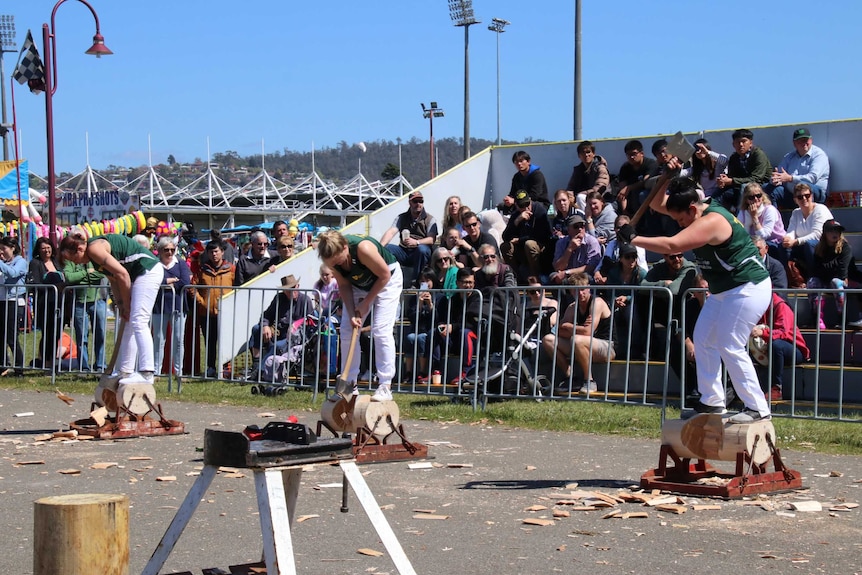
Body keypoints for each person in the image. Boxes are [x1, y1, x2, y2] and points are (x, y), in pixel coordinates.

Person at [623, 174, 772, 423]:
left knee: (729, 343)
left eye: (681, 219)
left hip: (748, 287)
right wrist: (666, 177)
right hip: (725, 290)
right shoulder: (694, 209)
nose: (680, 224)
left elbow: (672, 245)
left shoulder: (712, 220)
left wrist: (633, 239)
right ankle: (712, 401)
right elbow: (658, 204)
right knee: (703, 338)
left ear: (692, 208)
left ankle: (757, 407)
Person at [59, 233, 164, 387]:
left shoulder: (94, 249)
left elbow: (123, 274)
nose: (76, 263)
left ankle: (147, 372)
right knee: (128, 321)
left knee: (138, 320)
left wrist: (127, 305)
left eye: (74, 259)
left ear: (80, 248)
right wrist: (120, 305)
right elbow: (113, 279)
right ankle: (125, 370)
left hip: (147, 270)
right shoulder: (94, 260)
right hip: (136, 275)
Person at [318, 230, 403, 402]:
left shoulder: (363, 249)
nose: (337, 265)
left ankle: (385, 385)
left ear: (344, 248)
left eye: (338, 261)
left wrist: (366, 303)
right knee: (348, 331)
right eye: (333, 263)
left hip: (387, 280)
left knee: (380, 330)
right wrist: (351, 313)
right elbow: (343, 285)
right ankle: (349, 384)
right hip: (358, 284)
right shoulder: (332, 257)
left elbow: (384, 275)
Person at [542, 272, 615, 395]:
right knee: (548, 339)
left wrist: (570, 326)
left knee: (577, 339)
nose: (580, 294)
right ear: (571, 292)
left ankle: (589, 381)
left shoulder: (597, 303)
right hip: (582, 345)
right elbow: (558, 331)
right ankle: (571, 376)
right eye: (576, 291)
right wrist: (575, 329)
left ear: (589, 288)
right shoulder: (572, 307)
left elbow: (588, 331)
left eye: (582, 289)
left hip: (606, 347)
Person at [248, 274, 315, 379]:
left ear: (298, 286)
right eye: (288, 289)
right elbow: (266, 315)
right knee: (256, 329)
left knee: (278, 346)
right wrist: (265, 326)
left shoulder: (305, 300)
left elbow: (311, 320)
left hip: (295, 338)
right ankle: (256, 365)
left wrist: (296, 325)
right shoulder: (279, 298)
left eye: (293, 288)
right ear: (283, 290)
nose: (291, 291)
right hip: (277, 332)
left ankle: (259, 372)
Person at [751, 293, 810, 401]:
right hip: (771, 350)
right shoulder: (759, 307)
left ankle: (776, 388)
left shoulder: (781, 306)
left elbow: (783, 333)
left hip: (794, 350)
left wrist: (762, 333)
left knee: (777, 345)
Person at [429, 267, 481, 383]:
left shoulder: (478, 299)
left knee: (465, 332)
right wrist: (442, 326)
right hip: (454, 339)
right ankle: (435, 371)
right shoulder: (453, 300)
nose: (468, 285)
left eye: (470, 282)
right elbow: (444, 318)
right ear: (457, 283)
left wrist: (453, 326)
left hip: (473, 339)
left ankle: (465, 372)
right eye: (464, 282)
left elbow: (472, 323)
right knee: (434, 332)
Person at [192, 239, 235, 378]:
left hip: (226, 313)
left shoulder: (231, 269)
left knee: (226, 341)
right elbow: (193, 287)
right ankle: (210, 368)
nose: (214, 254)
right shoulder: (202, 270)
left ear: (222, 252)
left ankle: (226, 369)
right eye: (211, 252)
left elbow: (238, 287)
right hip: (207, 312)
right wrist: (201, 301)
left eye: (216, 251)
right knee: (210, 342)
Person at [778, 183, 834, 287]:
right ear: (795, 200)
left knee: (809, 244)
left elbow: (817, 234)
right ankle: (792, 280)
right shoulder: (796, 213)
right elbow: (791, 231)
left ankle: (815, 279)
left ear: (811, 196)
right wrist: (787, 239)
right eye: (800, 197)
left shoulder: (820, 209)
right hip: (803, 247)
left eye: (807, 195)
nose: (804, 199)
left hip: (823, 247)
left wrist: (795, 241)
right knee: (783, 247)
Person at [380, 190, 438, 288]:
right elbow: (391, 232)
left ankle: (415, 282)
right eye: (415, 201)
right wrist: (379, 247)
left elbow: (431, 239)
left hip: (419, 252)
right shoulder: (401, 217)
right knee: (386, 249)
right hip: (404, 251)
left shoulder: (430, 219)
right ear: (410, 203)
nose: (418, 204)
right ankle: (385, 278)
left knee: (422, 249)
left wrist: (417, 242)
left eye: (421, 201)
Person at [152, 236, 190, 380]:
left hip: (178, 305)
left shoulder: (180, 263)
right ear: (160, 250)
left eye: (172, 250)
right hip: (159, 306)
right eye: (166, 250)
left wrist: (165, 285)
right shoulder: (155, 264)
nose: (169, 252)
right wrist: (169, 280)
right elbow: (152, 280)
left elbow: (185, 282)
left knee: (179, 339)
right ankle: (156, 371)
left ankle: (178, 372)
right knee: (159, 339)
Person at [600, 243, 646, 359]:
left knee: (630, 313)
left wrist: (627, 298)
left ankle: (635, 350)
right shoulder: (613, 273)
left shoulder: (641, 274)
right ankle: (614, 348)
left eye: (634, 257)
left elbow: (642, 294)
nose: (631, 260)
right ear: (620, 259)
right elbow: (610, 292)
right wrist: (615, 300)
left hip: (637, 306)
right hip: (616, 305)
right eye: (627, 257)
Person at [63, 254, 108, 373]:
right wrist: (87, 273)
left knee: (101, 335)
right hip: (79, 303)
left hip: (98, 301)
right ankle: (83, 367)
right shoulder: (70, 260)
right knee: (81, 337)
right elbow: (69, 277)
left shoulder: (95, 257)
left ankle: (100, 366)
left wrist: (80, 279)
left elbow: (102, 273)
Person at [806, 219, 854, 329]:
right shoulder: (819, 248)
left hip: (844, 282)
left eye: (837, 231)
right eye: (831, 231)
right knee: (812, 282)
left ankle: (842, 318)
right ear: (825, 233)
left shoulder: (845, 247)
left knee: (836, 282)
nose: (835, 233)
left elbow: (842, 272)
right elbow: (815, 270)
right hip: (827, 280)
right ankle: (816, 318)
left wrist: (828, 276)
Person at [766, 128, 830, 208]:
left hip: (815, 193)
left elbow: (812, 178)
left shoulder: (819, 155)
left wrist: (790, 178)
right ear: (794, 143)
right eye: (800, 141)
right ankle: (773, 219)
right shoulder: (789, 157)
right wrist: (775, 180)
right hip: (793, 194)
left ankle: (809, 217)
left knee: (804, 186)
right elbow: (780, 175)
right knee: (767, 188)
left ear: (811, 140)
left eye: (806, 140)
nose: (804, 143)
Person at [501, 189, 553, 282]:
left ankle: (535, 279)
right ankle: (517, 278)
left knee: (529, 244)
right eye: (521, 205)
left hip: (540, 248)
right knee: (505, 247)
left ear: (530, 200)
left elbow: (544, 235)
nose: (525, 208)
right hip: (522, 250)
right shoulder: (516, 214)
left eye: (527, 204)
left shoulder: (539, 210)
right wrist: (517, 221)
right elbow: (505, 237)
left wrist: (520, 240)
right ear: (516, 205)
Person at [715, 129, 772, 213]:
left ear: (750, 143)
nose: (741, 145)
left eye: (744, 141)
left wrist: (732, 181)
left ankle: (740, 218)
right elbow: (732, 177)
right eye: (737, 142)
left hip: (761, 186)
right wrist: (724, 180)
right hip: (740, 185)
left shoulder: (758, 154)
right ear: (733, 144)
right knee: (719, 192)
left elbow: (757, 178)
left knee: (745, 187)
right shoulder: (734, 157)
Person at [27, 237, 62, 368]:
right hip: (44, 303)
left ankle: (53, 360)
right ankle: (46, 362)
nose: (46, 250)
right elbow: (35, 283)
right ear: (38, 250)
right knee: (47, 333)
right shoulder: (35, 263)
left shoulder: (57, 261)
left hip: (58, 303)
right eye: (43, 248)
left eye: (48, 247)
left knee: (57, 333)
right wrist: (54, 286)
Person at [549, 214, 602, 285]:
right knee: (553, 277)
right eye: (576, 226)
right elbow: (557, 267)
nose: (580, 229)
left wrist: (567, 272)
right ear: (568, 230)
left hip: (583, 275)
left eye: (582, 226)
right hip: (567, 276)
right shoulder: (561, 242)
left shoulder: (592, 241)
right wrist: (569, 249)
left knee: (586, 278)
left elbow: (591, 267)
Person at [594, 215, 648, 283]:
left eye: (624, 227)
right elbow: (603, 263)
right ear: (614, 229)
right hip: (613, 279)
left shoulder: (638, 245)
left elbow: (641, 269)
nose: (621, 230)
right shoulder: (612, 244)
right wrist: (597, 273)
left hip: (633, 280)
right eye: (618, 227)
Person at [0, 237, 26, 376]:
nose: (1, 252)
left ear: (13, 248)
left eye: (4, 248)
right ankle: (3, 365)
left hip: (14, 302)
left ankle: (19, 368)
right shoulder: (4, 263)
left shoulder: (20, 262)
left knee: (11, 336)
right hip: (2, 301)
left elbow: (13, 274)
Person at [615, 139, 658, 216]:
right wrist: (624, 211)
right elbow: (623, 191)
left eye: (634, 154)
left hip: (648, 194)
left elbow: (645, 182)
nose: (631, 157)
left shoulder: (650, 164)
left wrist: (629, 187)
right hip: (629, 200)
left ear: (642, 153)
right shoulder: (625, 167)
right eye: (628, 155)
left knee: (640, 194)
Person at [738, 183, 786, 252]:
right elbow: (741, 235)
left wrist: (754, 217)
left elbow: (764, 236)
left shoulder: (769, 210)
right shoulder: (743, 212)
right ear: (746, 200)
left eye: (758, 196)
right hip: (754, 243)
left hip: (774, 242)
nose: (756, 199)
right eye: (751, 197)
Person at [565, 140, 611, 211]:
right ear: (579, 156)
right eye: (583, 152)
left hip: (599, 197)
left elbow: (600, 186)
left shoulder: (600, 167)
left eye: (588, 152)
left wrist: (580, 194)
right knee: (560, 198)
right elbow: (571, 187)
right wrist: (569, 197)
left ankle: (585, 220)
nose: (586, 155)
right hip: (581, 198)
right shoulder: (578, 170)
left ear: (593, 154)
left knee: (580, 197)